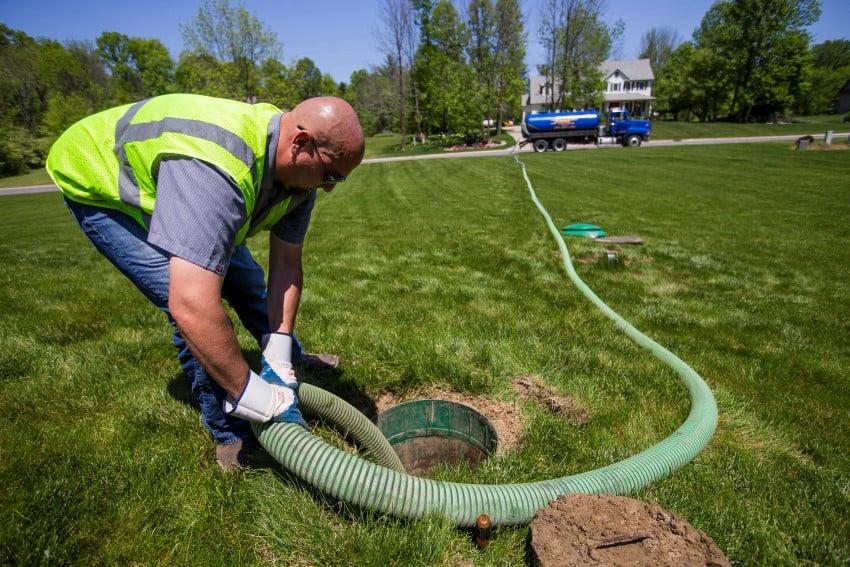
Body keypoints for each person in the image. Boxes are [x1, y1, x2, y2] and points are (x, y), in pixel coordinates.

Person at [46, 94, 366, 469]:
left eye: (338, 179)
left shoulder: (300, 180)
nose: (329, 188)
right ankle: (229, 433)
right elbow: (192, 306)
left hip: (192, 187)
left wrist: (278, 350)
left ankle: (290, 362)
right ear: (300, 143)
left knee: (246, 282)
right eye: (330, 175)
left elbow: (286, 265)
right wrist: (253, 396)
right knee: (187, 303)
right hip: (105, 188)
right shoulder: (216, 168)